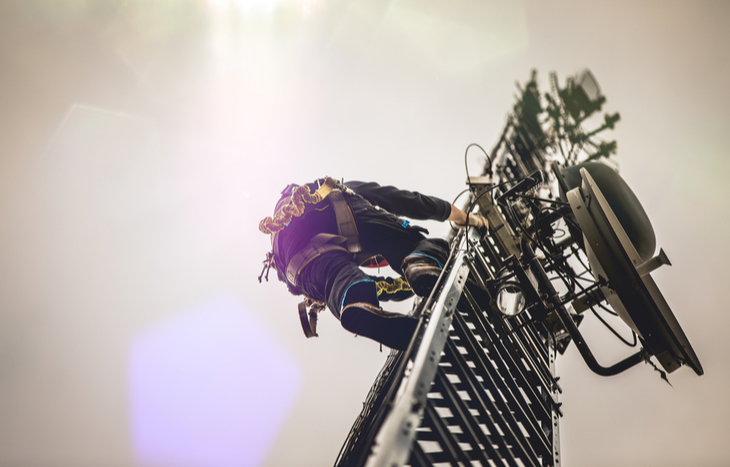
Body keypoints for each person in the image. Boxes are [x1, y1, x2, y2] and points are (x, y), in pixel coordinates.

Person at [259, 176, 487, 350]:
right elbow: (410, 201)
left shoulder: (329, 251)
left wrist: (407, 286)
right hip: (328, 204)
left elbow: (380, 287)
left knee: (340, 281)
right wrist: (466, 219)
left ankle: (356, 302)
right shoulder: (353, 190)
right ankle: (422, 259)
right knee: (413, 243)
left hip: (294, 265)